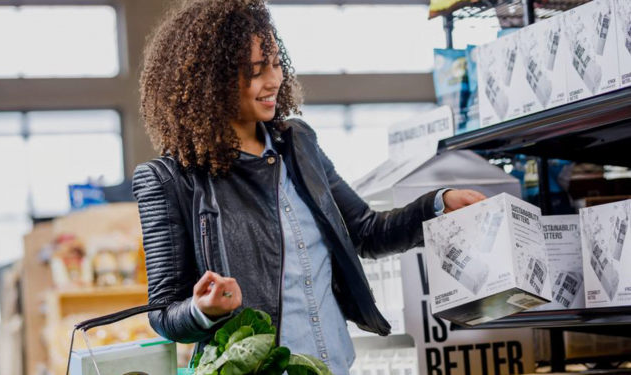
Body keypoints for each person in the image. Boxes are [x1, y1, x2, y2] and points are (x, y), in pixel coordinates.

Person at [132, 1, 487, 374]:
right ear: (211, 80)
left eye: (276, 64)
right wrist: (202, 311)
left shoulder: (298, 144)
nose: (273, 81)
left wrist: (436, 205)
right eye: (255, 71)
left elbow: (365, 232)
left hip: (335, 364)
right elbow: (163, 312)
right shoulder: (169, 180)